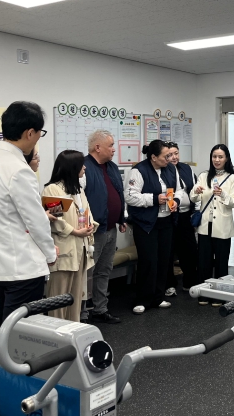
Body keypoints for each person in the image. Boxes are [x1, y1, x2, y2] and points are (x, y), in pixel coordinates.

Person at [0, 101, 57, 411]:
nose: (38, 139)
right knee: (19, 343)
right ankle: (14, 405)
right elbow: (36, 221)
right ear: (29, 132)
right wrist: (49, 253)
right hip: (23, 269)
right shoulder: (18, 169)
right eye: (39, 133)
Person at [125, 140, 178, 314]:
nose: (169, 159)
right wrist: (154, 199)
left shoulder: (170, 169)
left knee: (164, 261)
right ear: (154, 157)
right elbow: (130, 197)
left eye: (170, 155)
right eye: (166, 156)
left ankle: (158, 297)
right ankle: (143, 299)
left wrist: (176, 201)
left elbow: (178, 191)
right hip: (146, 223)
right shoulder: (138, 170)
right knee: (148, 261)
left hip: (166, 221)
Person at [42, 150, 96, 322]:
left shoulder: (77, 189)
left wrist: (90, 225)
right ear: (72, 167)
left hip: (81, 249)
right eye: (81, 165)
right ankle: (56, 333)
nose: (85, 168)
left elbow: (87, 212)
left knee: (75, 298)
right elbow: (55, 219)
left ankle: (72, 330)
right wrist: (75, 231)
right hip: (64, 249)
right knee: (58, 298)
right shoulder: (53, 189)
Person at [84, 130, 126, 324]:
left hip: (111, 228)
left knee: (104, 270)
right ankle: (82, 313)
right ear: (97, 147)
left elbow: (118, 193)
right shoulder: (84, 167)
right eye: (110, 145)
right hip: (94, 231)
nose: (113, 149)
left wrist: (121, 217)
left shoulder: (112, 167)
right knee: (87, 272)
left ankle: (100, 309)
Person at [190, 144, 234, 306]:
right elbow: (193, 198)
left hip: (222, 226)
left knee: (221, 262)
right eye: (214, 156)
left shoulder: (232, 178)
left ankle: (220, 294)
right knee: (203, 261)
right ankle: (203, 293)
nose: (217, 160)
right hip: (205, 225)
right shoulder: (204, 175)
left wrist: (223, 194)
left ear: (226, 159)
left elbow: (233, 202)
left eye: (220, 157)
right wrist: (196, 192)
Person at [164, 142, 199, 294]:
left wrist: (196, 211)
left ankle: (189, 282)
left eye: (176, 153)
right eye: (170, 155)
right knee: (169, 251)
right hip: (171, 216)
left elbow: (195, 190)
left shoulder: (186, 168)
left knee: (189, 250)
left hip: (186, 216)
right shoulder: (163, 171)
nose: (174, 157)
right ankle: (169, 284)